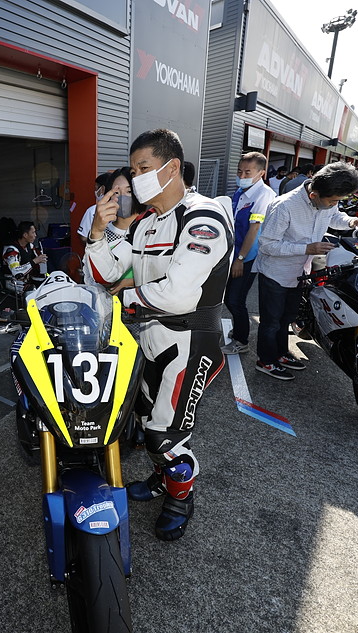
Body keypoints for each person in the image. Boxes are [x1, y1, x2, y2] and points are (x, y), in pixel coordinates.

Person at [85, 128, 233, 541]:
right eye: (133, 171)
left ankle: (181, 498)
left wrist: (121, 301)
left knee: (165, 436)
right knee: (146, 419)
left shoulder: (203, 216)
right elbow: (108, 272)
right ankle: (161, 479)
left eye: (143, 168)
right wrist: (97, 231)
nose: (135, 179)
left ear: (171, 168)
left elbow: (179, 294)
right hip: (149, 339)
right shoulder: (147, 223)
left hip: (190, 343)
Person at [253, 162, 358, 380]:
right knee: (271, 321)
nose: (335, 204)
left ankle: (280, 353)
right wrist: (307, 248)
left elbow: (334, 217)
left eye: (338, 201)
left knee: (287, 317)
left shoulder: (326, 197)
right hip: (276, 273)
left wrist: (351, 221)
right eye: (332, 201)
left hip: (301, 272)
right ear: (313, 194)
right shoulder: (284, 206)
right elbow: (267, 245)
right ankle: (265, 360)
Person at [221, 152, 274, 355]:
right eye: (239, 171)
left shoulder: (263, 195)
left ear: (261, 173)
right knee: (231, 297)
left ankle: (241, 340)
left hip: (247, 256)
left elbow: (254, 229)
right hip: (234, 253)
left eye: (247, 172)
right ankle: (240, 328)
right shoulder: (241, 191)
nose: (242, 176)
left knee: (235, 299)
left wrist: (240, 259)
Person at [2, 221, 47, 294]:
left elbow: (37, 264)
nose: (35, 235)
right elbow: (16, 272)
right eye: (33, 233)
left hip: (27, 280)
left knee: (47, 286)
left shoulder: (30, 246)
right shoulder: (11, 250)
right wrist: (34, 261)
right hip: (13, 282)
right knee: (32, 290)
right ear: (25, 235)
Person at [75, 172, 118, 246]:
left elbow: (83, 237)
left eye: (96, 188)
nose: (95, 191)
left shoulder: (93, 210)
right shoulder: (122, 209)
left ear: (102, 189)